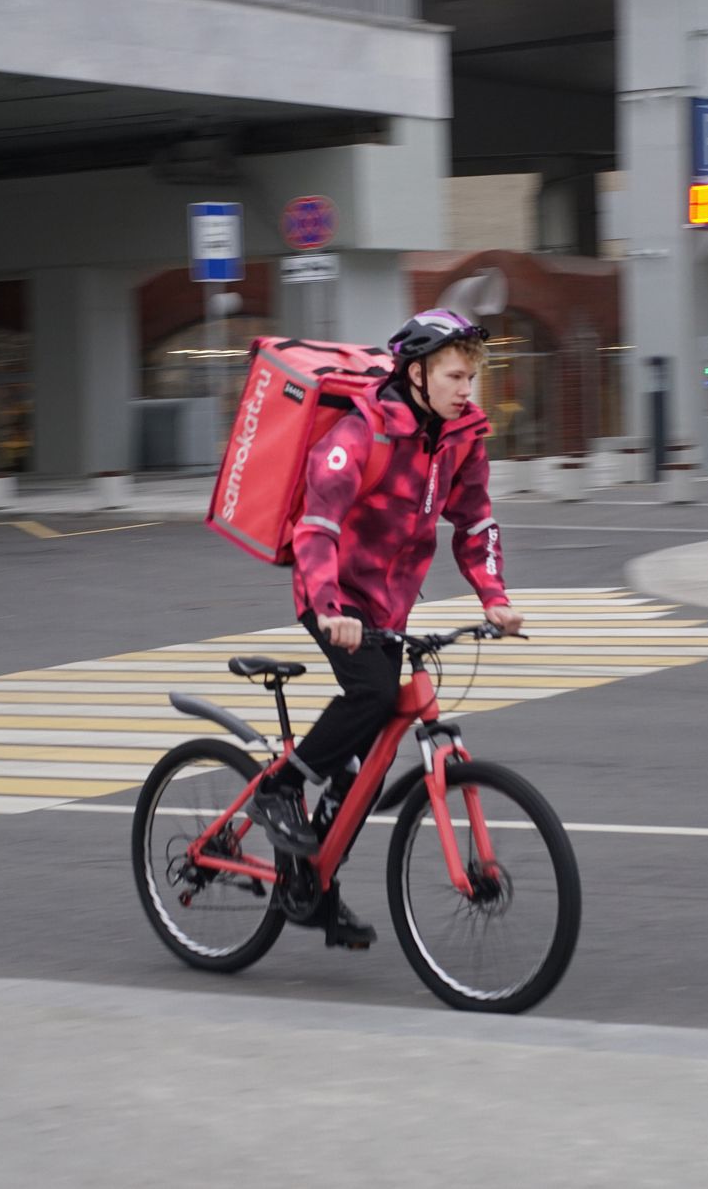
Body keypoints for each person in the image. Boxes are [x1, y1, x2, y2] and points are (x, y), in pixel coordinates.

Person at [247, 309, 523, 946]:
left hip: (390, 608)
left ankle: (313, 888)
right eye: (455, 376)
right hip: (335, 597)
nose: (466, 390)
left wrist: (494, 598)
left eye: (470, 379)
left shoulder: (459, 435)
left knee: (367, 761)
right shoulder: (360, 432)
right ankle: (279, 790)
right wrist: (328, 607)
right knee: (370, 694)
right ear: (418, 372)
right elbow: (315, 526)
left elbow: (475, 522)